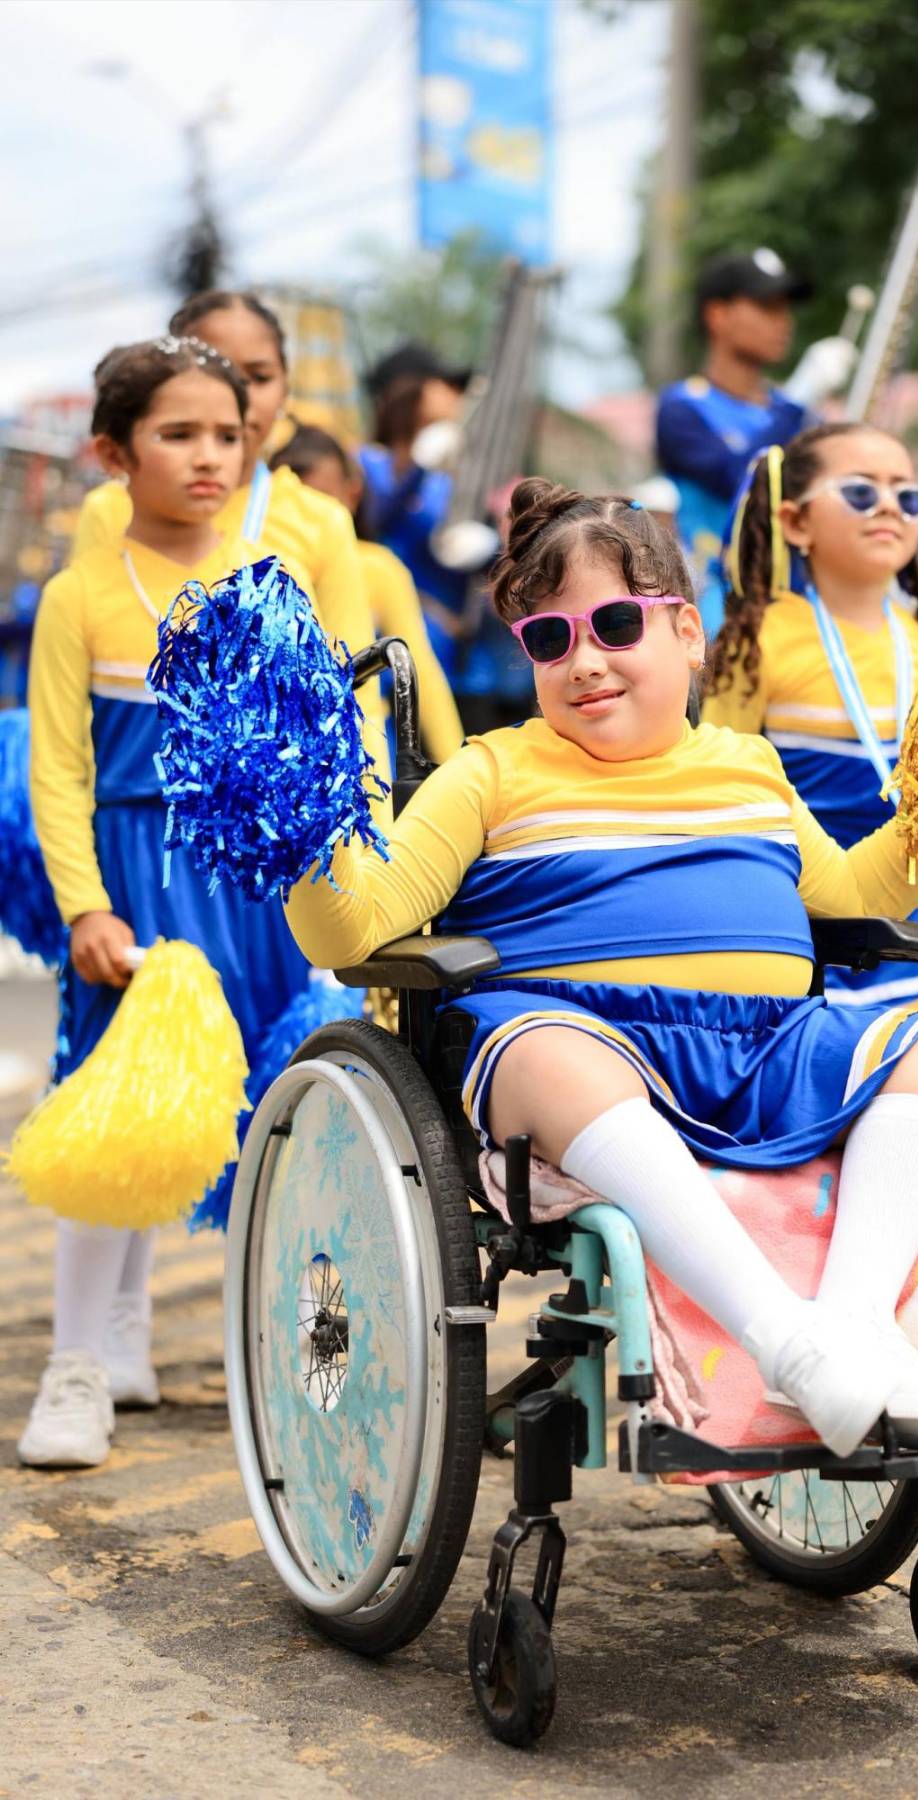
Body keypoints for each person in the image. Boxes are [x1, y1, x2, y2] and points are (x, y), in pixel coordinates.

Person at [280, 476, 918, 1460]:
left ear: (688, 634)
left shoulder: (749, 768)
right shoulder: (493, 773)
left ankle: (857, 1325)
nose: (585, 660)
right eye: (550, 639)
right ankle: (788, 1345)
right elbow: (355, 928)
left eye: (616, 625)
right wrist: (297, 816)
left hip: (766, 1048)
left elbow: (852, 894)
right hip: (583, 1043)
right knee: (547, 1054)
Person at [18, 338, 314, 1470]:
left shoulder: (271, 586)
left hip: (252, 890)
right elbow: (59, 772)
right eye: (177, 434)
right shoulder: (80, 596)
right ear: (113, 453)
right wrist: (84, 906)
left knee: (266, 1118)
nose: (209, 457)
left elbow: (312, 761)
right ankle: (77, 1366)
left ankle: (258, 1357)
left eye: (227, 435)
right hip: (136, 880)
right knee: (118, 1112)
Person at [704, 423, 918, 1005]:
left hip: (904, 930)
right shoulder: (759, 638)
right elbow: (718, 782)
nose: (889, 507)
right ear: (796, 523)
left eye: (908, 496)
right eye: (861, 491)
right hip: (795, 923)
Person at [71, 290, 376, 702]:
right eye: (214, 370)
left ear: (285, 388)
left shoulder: (322, 521)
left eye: (259, 377)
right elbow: (77, 675)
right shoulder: (110, 509)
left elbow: (355, 681)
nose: (239, 395)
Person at [655, 249, 857, 635]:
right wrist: (800, 396)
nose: (784, 321)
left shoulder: (796, 412)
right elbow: (741, 480)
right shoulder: (682, 407)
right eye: (766, 306)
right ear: (718, 315)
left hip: (800, 604)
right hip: (718, 608)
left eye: (785, 308)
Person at [359, 343, 532, 733]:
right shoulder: (370, 462)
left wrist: (496, 544)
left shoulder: (447, 477)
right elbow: (378, 518)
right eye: (445, 385)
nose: (457, 396)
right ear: (409, 389)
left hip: (461, 660)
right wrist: (416, 469)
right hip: (397, 649)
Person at [269, 424, 463, 766]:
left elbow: (421, 672)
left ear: (353, 493)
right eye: (293, 508)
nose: (309, 520)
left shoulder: (378, 568)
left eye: (321, 500)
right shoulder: (257, 568)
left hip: (363, 754)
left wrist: (458, 766)